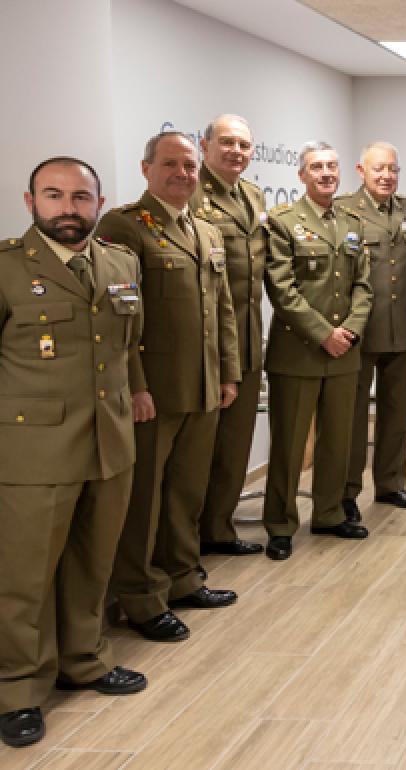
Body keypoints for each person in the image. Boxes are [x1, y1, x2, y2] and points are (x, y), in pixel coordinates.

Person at [0, 158, 148, 749]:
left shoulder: (120, 261)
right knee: (25, 575)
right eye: (55, 195)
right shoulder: (9, 268)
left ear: (99, 200)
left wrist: (136, 391)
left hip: (109, 438)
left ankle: (82, 659)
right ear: (29, 200)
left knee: (93, 560)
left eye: (81, 197)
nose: (69, 208)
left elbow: (127, 343)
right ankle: (18, 688)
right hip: (33, 447)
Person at [97, 131, 241, 643]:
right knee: (145, 499)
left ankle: (183, 577)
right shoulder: (124, 225)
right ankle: (140, 597)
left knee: (186, 491)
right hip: (154, 391)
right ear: (146, 169)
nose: (183, 173)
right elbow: (121, 317)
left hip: (202, 385)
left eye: (189, 165)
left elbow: (222, 308)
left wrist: (228, 372)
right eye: (170, 164)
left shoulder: (205, 229)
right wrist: (135, 385)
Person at [261, 142, 372, 561]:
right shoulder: (283, 221)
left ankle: (328, 513)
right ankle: (280, 524)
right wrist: (324, 333)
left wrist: (350, 332)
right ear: (302, 175)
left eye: (331, 166)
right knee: (290, 445)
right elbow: (282, 289)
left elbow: (363, 285)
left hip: (345, 352)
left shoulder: (351, 220)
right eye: (316, 167)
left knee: (338, 441)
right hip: (299, 353)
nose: (326, 173)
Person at [339, 141, 406, 519]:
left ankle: (391, 485)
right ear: (361, 171)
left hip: (400, 330)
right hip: (359, 331)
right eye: (379, 169)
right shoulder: (343, 209)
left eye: (393, 169)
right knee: (353, 417)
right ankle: (346, 491)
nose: (387, 176)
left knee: (395, 412)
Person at [193, 114, 266, 558]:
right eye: (226, 142)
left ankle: (219, 528)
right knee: (201, 448)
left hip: (248, 333)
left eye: (243, 144)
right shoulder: (191, 193)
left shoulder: (253, 195)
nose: (235, 151)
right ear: (205, 146)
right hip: (207, 340)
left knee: (236, 442)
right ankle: (188, 540)